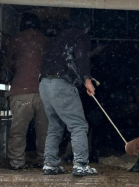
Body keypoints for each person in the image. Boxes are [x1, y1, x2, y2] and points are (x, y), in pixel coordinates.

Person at [39, 8, 97, 176]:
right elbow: (82, 57)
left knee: (55, 125)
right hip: (61, 83)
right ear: (86, 26)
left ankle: (50, 163)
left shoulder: (59, 38)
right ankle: (81, 164)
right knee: (78, 125)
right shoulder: (81, 36)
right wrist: (87, 80)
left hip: (44, 83)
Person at [4, 12, 49, 170]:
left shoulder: (16, 40)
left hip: (20, 91)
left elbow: (8, 64)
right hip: (44, 92)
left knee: (18, 131)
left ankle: (17, 162)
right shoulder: (45, 41)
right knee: (44, 131)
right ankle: (45, 161)